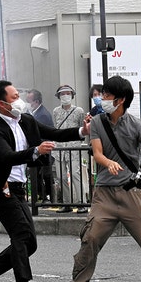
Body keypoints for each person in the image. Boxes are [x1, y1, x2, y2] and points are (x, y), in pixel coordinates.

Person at [60, 75, 141, 282]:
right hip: (104, 194)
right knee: (90, 238)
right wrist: (107, 163)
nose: (102, 99)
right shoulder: (96, 123)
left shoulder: (137, 124)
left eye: (107, 95)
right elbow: (97, 153)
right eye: (103, 94)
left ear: (121, 100)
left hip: (132, 192)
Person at [0, 80, 90, 282]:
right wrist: (34, 151)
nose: (20, 100)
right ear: (2, 104)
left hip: (18, 188)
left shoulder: (25, 120)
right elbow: (7, 156)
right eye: (14, 97)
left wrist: (83, 130)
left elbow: (53, 133)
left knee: (29, 243)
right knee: (21, 235)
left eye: (19, 95)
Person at [52, 84, 87, 213]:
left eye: (67, 93)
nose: (65, 96)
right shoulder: (56, 111)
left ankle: (81, 202)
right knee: (60, 176)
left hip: (74, 148)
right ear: (58, 96)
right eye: (62, 93)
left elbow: (82, 129)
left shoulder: (79, 111)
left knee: (75, 175)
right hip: (59, 148)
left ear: (72, 95)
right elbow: (56, 127)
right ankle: (67, 203)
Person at [27, 89, 55, 204]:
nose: (28, 103)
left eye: (29, 101)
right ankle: (41, 196)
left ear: (36, 101)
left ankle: (46, 197)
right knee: (37, 174)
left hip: (43, 150)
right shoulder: (35, 113)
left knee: (44, 174)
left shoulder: (42, 114)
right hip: (39, 149)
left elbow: (43, 134)